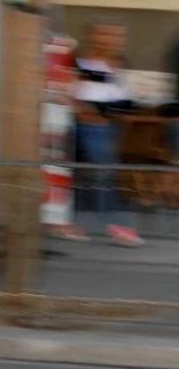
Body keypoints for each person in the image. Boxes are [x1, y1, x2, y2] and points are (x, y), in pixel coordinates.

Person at [70, 21, 142, 247]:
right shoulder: (82, 64)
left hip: (109, 125)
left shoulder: (116, 65)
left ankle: (79, 222)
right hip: (93, 126)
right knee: (102, 174)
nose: (113, 41)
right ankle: (116, 223)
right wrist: (90, 114)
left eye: (117, 37)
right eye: (106, 36)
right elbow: (76, 95)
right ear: (93, 37)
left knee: (97, 175)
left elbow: (120, 97)